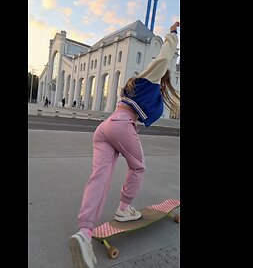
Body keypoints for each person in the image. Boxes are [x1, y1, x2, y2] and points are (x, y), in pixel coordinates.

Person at [69, 22, 181, 268]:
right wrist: (172, 34)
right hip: (120, 126)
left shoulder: (132, 87)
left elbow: (127, 112)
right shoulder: (150, 76)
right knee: (138, 167)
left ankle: (84, 233)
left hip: (105, 127)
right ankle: (124, 208)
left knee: (98, 178)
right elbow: (164, 57)